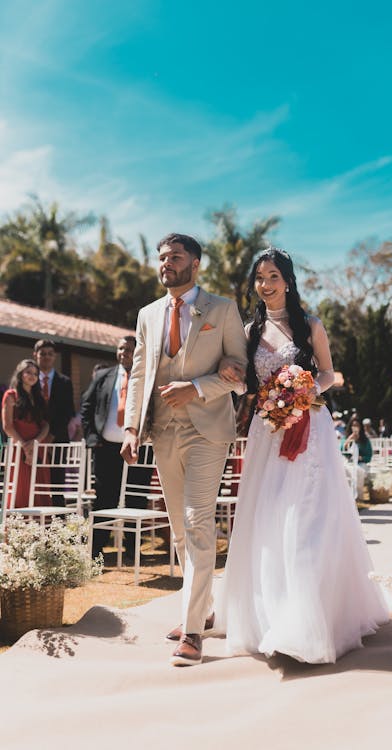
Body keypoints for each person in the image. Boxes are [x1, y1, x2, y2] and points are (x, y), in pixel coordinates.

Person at [218, 247, 388, 664]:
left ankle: (308, 623)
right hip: (266, 431)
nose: (266, 284)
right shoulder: (248, 330)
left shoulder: (311, 325)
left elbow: (329, 373)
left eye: (273, 275)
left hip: (310, 430)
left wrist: (305, 391)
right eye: (259, 277)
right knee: (267, 516)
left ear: (288, 280)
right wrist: (232, 378)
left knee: (307, 518)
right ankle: (268, 618)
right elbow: (244, 385)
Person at [120, 232, 247, 667]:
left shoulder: (224, 309)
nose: (165, 264)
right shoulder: (148, 314)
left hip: (207, 431)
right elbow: (139, 374)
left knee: (196, 523)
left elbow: (240, 374)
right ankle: (204, 609)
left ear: (195, 264)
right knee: (177, 528)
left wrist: (196, 387)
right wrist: (132, 427)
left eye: (174, 257)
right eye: (161, 257)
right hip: (163, 433)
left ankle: (193, 633)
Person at [80, 337, 152, 560]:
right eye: (121, 348)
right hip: (106, 448)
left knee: (136, 498)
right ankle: (97, 550)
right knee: (104, 498)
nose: (124, 353)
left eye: (129, 349)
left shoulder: (148, 376)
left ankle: (133, 551)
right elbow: (86, 407)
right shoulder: (103, 377)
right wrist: (92, 439)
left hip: (139, 447)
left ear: (137, 352)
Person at [1, 359, 50, 507]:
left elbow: (45, 425)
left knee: (40, 487)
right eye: (28, 372)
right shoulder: (11, 395)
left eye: (36, 373)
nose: (32, 376)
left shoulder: (39, 398)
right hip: (18, 448)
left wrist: (34, 444)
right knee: (19, 487)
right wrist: (25, 447)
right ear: (20, 374)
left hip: (38, 447)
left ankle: (41, 527)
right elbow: (7, 426)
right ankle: (19, 528)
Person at [33, 339, 75, 506]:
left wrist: (51, 435)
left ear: (55, 357)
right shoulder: (29, 379)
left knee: (56, 481)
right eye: (42, 353)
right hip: (33, 438)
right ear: (35, 355)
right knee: (34, 479)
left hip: (57, 439)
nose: (46, 357)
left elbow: (67, 412)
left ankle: (58, 524)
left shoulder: (65, 382)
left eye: (50, 354)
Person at [341, 417, 373, 499]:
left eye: (357, 425)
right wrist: (348, 440)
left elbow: (369, 456)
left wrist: (361, 458)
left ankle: (358, 496)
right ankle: (347, 497)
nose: (355, 427)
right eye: (353, 425)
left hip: (360, 463)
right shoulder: (346, 437)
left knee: (359, 471)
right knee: (345, 471)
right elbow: (341, 450)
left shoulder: (365, 440)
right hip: (348, 462)